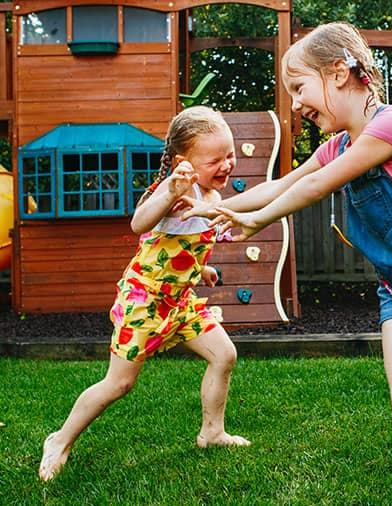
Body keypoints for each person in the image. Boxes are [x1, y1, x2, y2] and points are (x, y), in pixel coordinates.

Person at [183, 22, 392, 505]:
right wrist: (219, 207)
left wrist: (258, 221)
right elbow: (284, 184)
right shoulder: (335, 147)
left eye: (299, 87)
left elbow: (317, 187)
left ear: (338, 73)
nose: (295, 104)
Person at [38, 106, 250, 482]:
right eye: (215, 159)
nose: (227, 165)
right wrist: (170, 189)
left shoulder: (211, 198)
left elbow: (177, 249)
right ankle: (59, 439)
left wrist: (203, 270)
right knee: (119, 383)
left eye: (229, 155)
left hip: (179, 301)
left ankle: (212, 433)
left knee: (224, 354)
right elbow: (140, 224)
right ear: (184, 163)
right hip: (144, 302)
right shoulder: (173, 194)